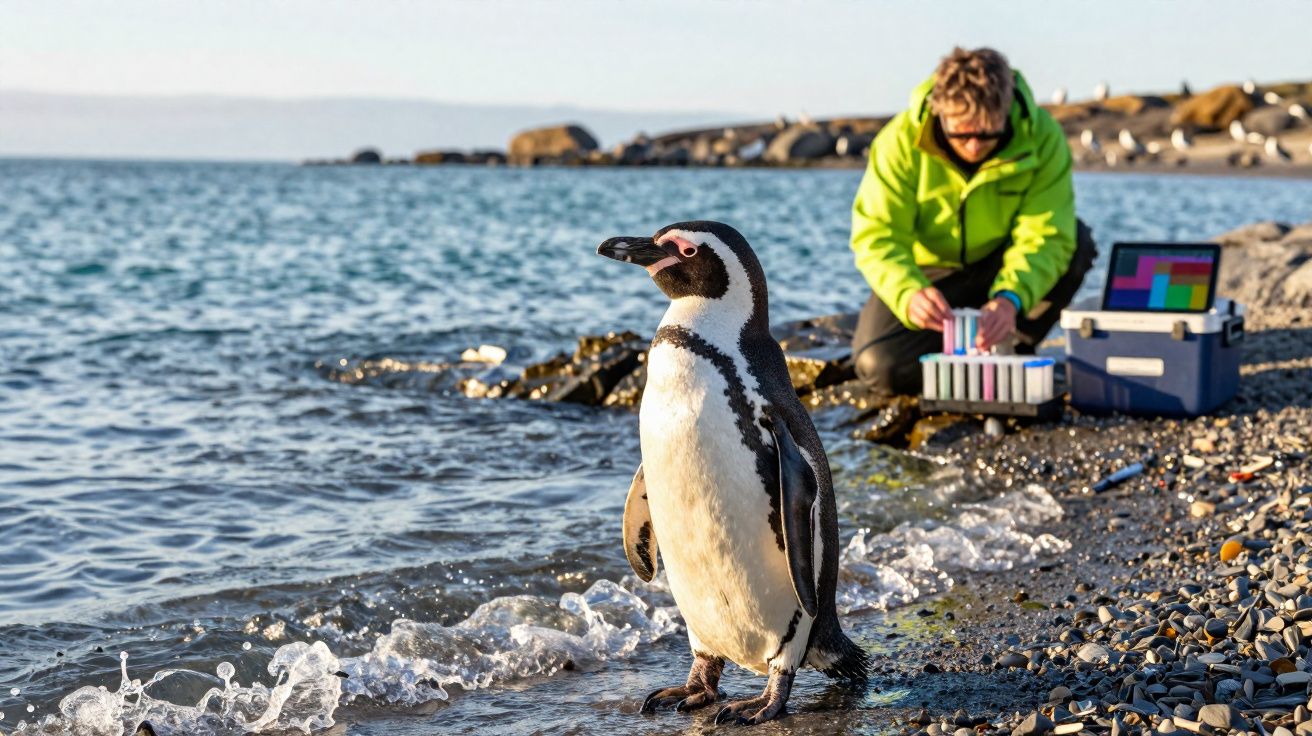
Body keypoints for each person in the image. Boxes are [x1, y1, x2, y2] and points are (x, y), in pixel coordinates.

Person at [849, 47, 1096, 397]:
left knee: (1078, 240)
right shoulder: (898, 141)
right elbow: (876, 235)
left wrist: (1012, 298)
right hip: (929, 275)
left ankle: (1014, 345)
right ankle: (966, 353)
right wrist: (908, 292)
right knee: (880, 368)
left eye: (988, 134)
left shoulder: (1043, 136)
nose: (975, 146)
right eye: (962, 134)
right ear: (939, 110)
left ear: (1006, 110)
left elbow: (1046, 235)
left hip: (1002, 265)